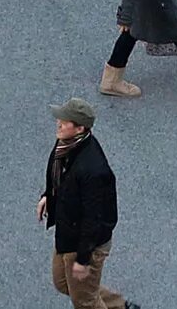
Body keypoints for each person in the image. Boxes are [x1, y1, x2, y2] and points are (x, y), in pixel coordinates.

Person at [41, 98, 123, 307]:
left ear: (80, 128)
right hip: (69, 232)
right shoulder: (66, 144)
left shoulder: (93, 170)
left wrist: (84, 259)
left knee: (84, 301)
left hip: (86, 242)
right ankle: (117, 305)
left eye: (65, 120)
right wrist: (48, 196)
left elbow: (93, 219)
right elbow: (58, 177)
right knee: (63, 283)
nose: (58, 123)